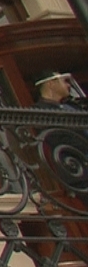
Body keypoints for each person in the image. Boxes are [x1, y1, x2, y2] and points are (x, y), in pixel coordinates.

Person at [31, 70, 88, 205]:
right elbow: (60, 138)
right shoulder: (40, 112)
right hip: (80, 171)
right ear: (51, 84)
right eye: (64, 81)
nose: (68, 85)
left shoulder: (72, 106)